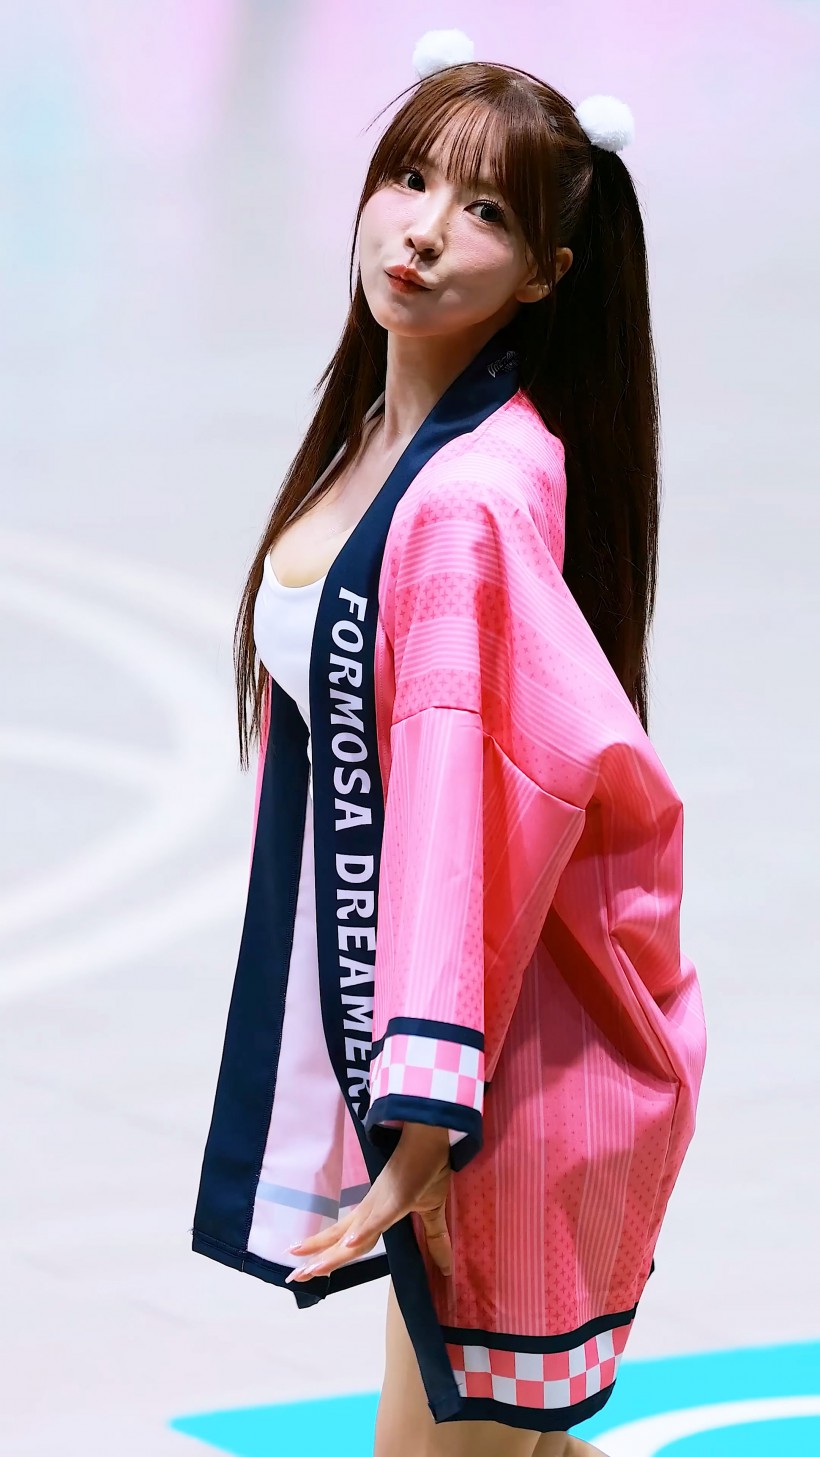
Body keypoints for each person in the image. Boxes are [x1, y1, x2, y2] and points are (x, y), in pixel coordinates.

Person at [190, 29, 708, 1457]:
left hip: (505, 1067)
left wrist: (420, 1131)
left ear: (546, 273)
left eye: (483, 210)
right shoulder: (382, 432)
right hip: (471, 1046)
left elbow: (466, 819)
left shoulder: (467, 501)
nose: (420, 231)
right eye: (409, 178)